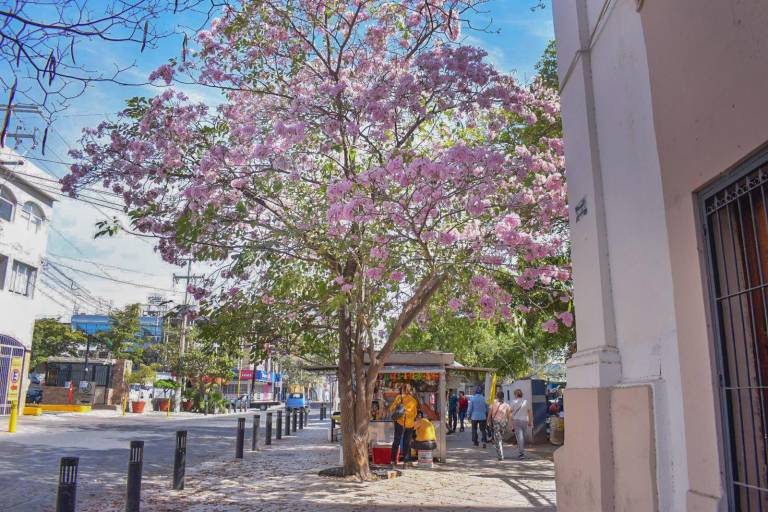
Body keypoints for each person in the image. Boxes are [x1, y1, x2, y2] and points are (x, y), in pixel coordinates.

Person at [389, 383, 418, 467]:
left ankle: (393, 461)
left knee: (396, 441)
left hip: (399, 422)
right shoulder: (413, 400)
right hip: (410, 424)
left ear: (402, 389)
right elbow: (415, 413)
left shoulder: (399, 397)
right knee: (407, 442)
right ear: (410, 390)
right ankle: (405, 462)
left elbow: (391, 408)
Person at [488, 390, 513, 460]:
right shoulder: (506, 405)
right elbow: (509, 416)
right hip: (504, 423)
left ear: (496, 396)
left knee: (497, 439)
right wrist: (511, 424)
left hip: (496, 423)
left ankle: (500, 455)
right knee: (500, 438)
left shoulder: (493, 403)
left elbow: (489, 413)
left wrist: (488, 421)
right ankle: (501, 452)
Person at [511, 388, 533, 459]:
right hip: (524, 421)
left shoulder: (513, 402)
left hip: (516, 420)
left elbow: (510, 412)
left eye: (514, 394)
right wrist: (530, 421)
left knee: (520, 437)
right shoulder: (526, 402)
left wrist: (511, 422)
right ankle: (522, 450)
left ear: (516, 395)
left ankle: (521, 453)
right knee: (522, 436)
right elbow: (530, 412)